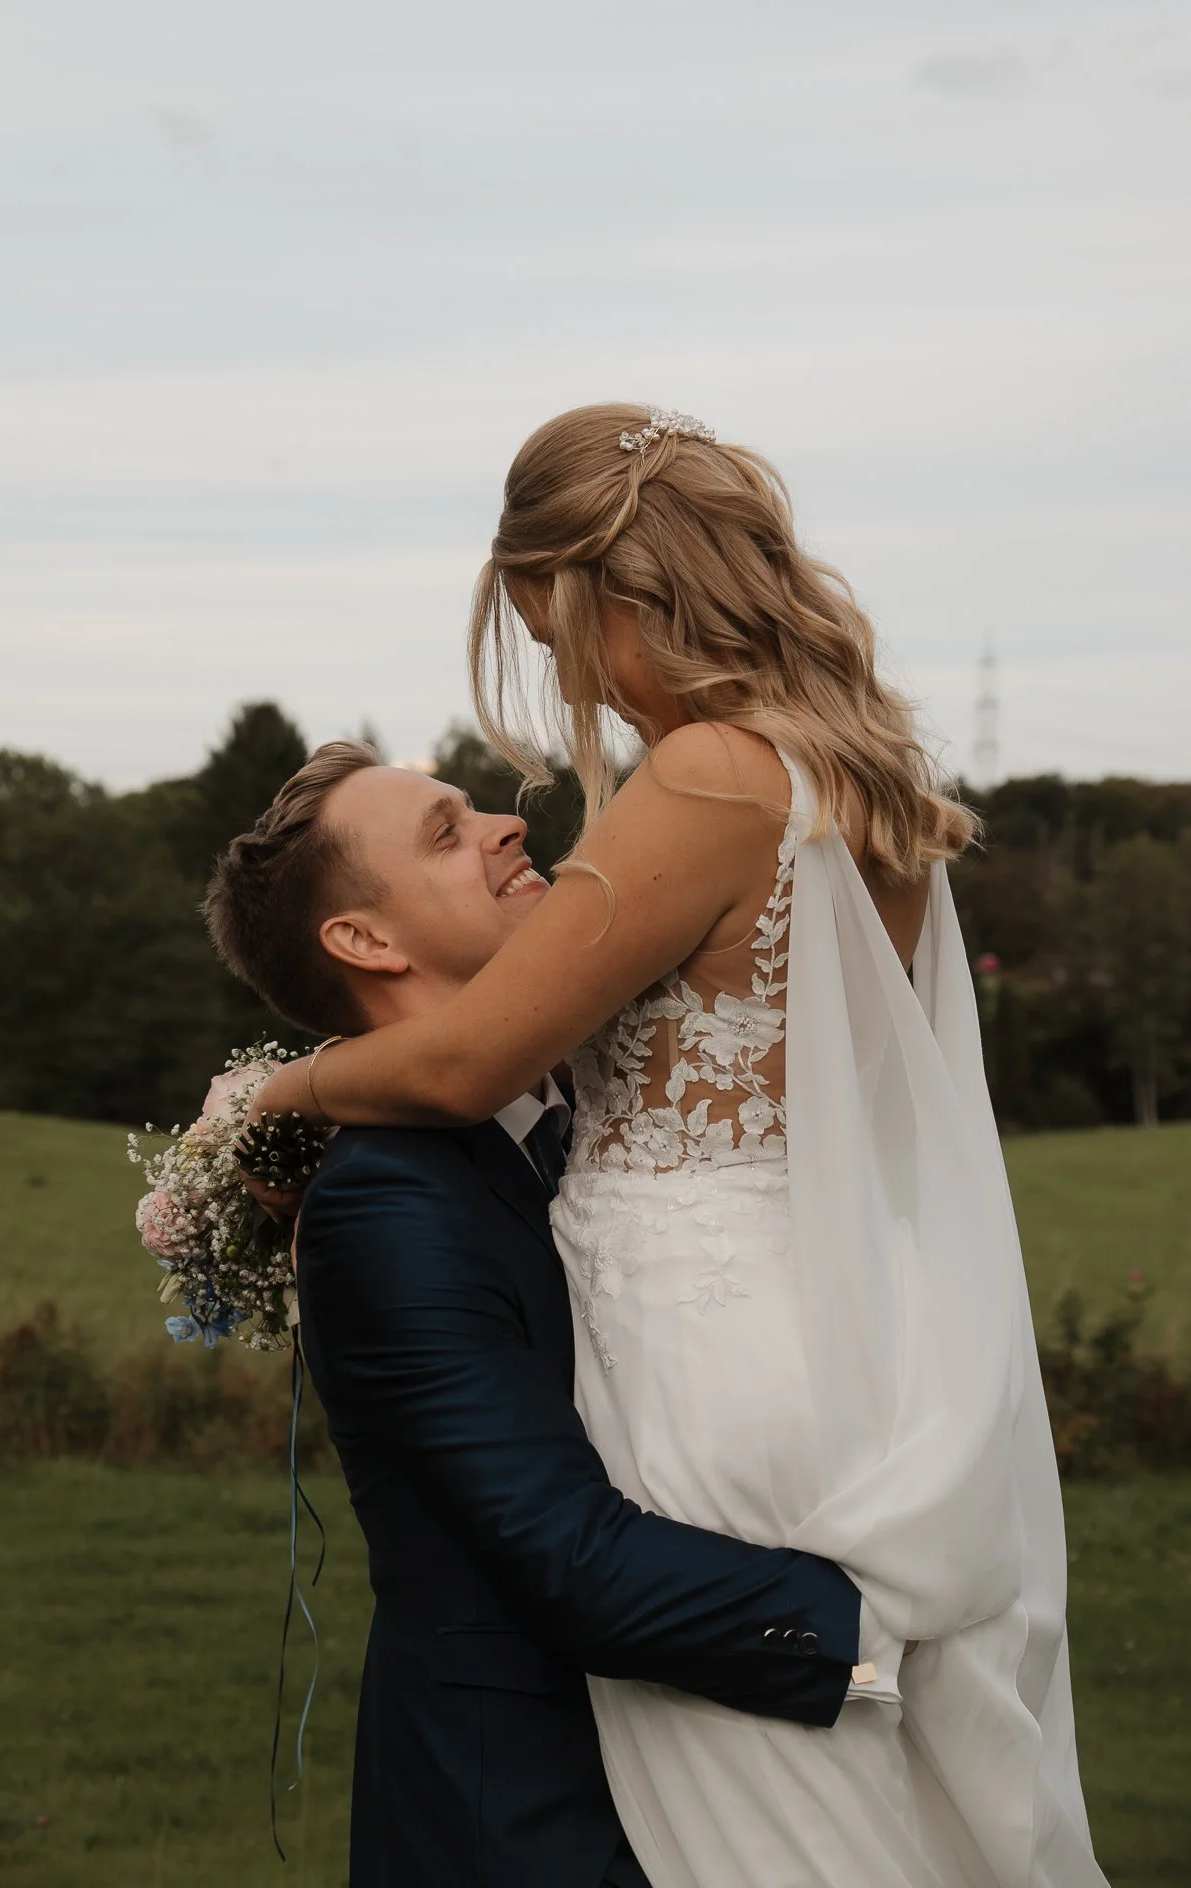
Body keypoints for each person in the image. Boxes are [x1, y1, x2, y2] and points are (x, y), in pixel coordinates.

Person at [244, 405, 1108, 1888]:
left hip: (697, 1348)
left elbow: (458, 1061)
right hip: (831, 1324)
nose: (567, 673)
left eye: (550, 627)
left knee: (771, 1832)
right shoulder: (852, 775)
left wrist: (272, 1097)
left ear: (602, 588)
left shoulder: (709, 775)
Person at [204, 737, 871, 1888]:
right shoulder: (386, 1203)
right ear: (364, 941)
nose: (507, 825)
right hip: (523, 1815)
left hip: (690, 1768)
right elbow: (570, 1562)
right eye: (445, 833)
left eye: (477, 810)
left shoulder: (592, 1111)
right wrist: (888, 1621)